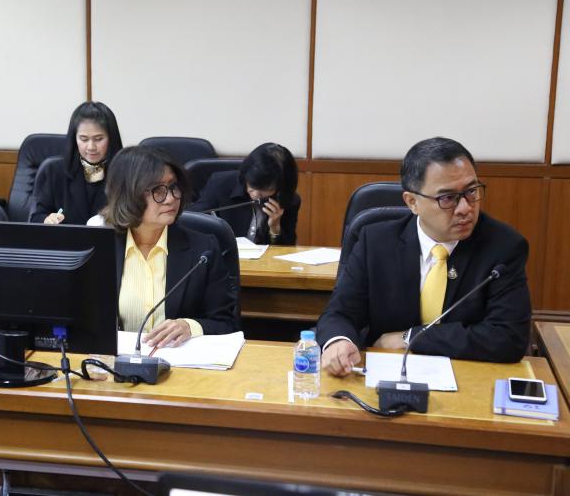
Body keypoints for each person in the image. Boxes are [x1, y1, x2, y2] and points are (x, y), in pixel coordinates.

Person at [317, 137, 531, 376]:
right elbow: (340, 313)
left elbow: (508, 337)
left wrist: (411, 338)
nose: (465, 208)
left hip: (468, 378)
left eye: (471, 191)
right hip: (384, 375)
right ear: (412, 202)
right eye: (447, 198)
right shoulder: (375, 242)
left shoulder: (504, 247)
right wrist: (339, 341)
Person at [101, 146, 239, 349]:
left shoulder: (203, 250)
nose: (171, 198)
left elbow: (227, 324)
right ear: (128, 194)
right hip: (115, 362)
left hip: (181, 364)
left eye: (173, 186)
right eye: (158, 190)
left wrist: (190, 326)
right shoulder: (101, 250)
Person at [28, 101, 123, 225]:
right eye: (84, 139)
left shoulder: (124, 173)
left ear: (111, 138)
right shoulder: (54, 171)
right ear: (74, 138)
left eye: (98, 139)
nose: (91, 147)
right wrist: (46, 220)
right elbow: (36, 217)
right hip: (64, 238)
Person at [190, 142, 300, 244]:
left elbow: (287, 250)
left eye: (265, 189)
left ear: (281, 187)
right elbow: (192, 220)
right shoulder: (220, 184)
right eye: (252, 186)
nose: (256, 194)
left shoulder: (289, 201)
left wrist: (275, 228)